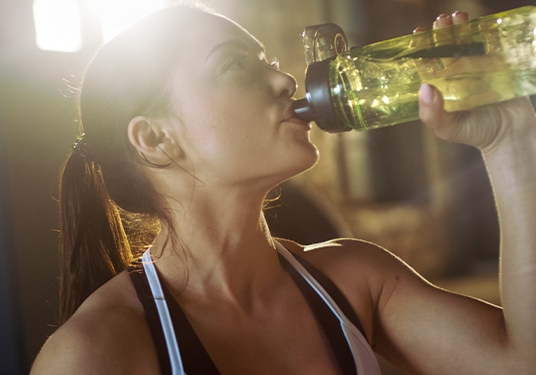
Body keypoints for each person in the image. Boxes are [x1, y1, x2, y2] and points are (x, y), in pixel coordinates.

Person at [30, 4, 536, 374]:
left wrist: (510, 139)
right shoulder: (96, 353)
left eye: (266, 60)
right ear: (156, 138)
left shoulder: (357, 279)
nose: (284, 81)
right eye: (234, 64)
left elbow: (521, 361)